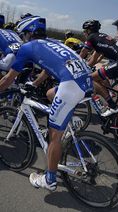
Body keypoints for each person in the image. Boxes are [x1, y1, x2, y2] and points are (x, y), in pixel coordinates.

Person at [0, 16, 93, 191]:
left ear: (28, 33)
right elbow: (48, 68)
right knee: (51, 93)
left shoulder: (26, 48)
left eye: (23, 34)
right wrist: (35, 84)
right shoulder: (52, 42)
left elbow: (7, 80)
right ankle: (70, 122)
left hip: (71, 85)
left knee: (53, 136)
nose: (23, 38)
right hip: (85, 81)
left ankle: (49, 179)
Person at [80, 20, 118, 117]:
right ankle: (115, 124)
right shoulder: (103, 37)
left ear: (88, 31)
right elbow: (93, 60)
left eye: (84, 31)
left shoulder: (92, 37)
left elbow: (83, 53)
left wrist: (76, 65)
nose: (83, 33)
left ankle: (111, 105)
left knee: (91, 78)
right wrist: (86, 67)